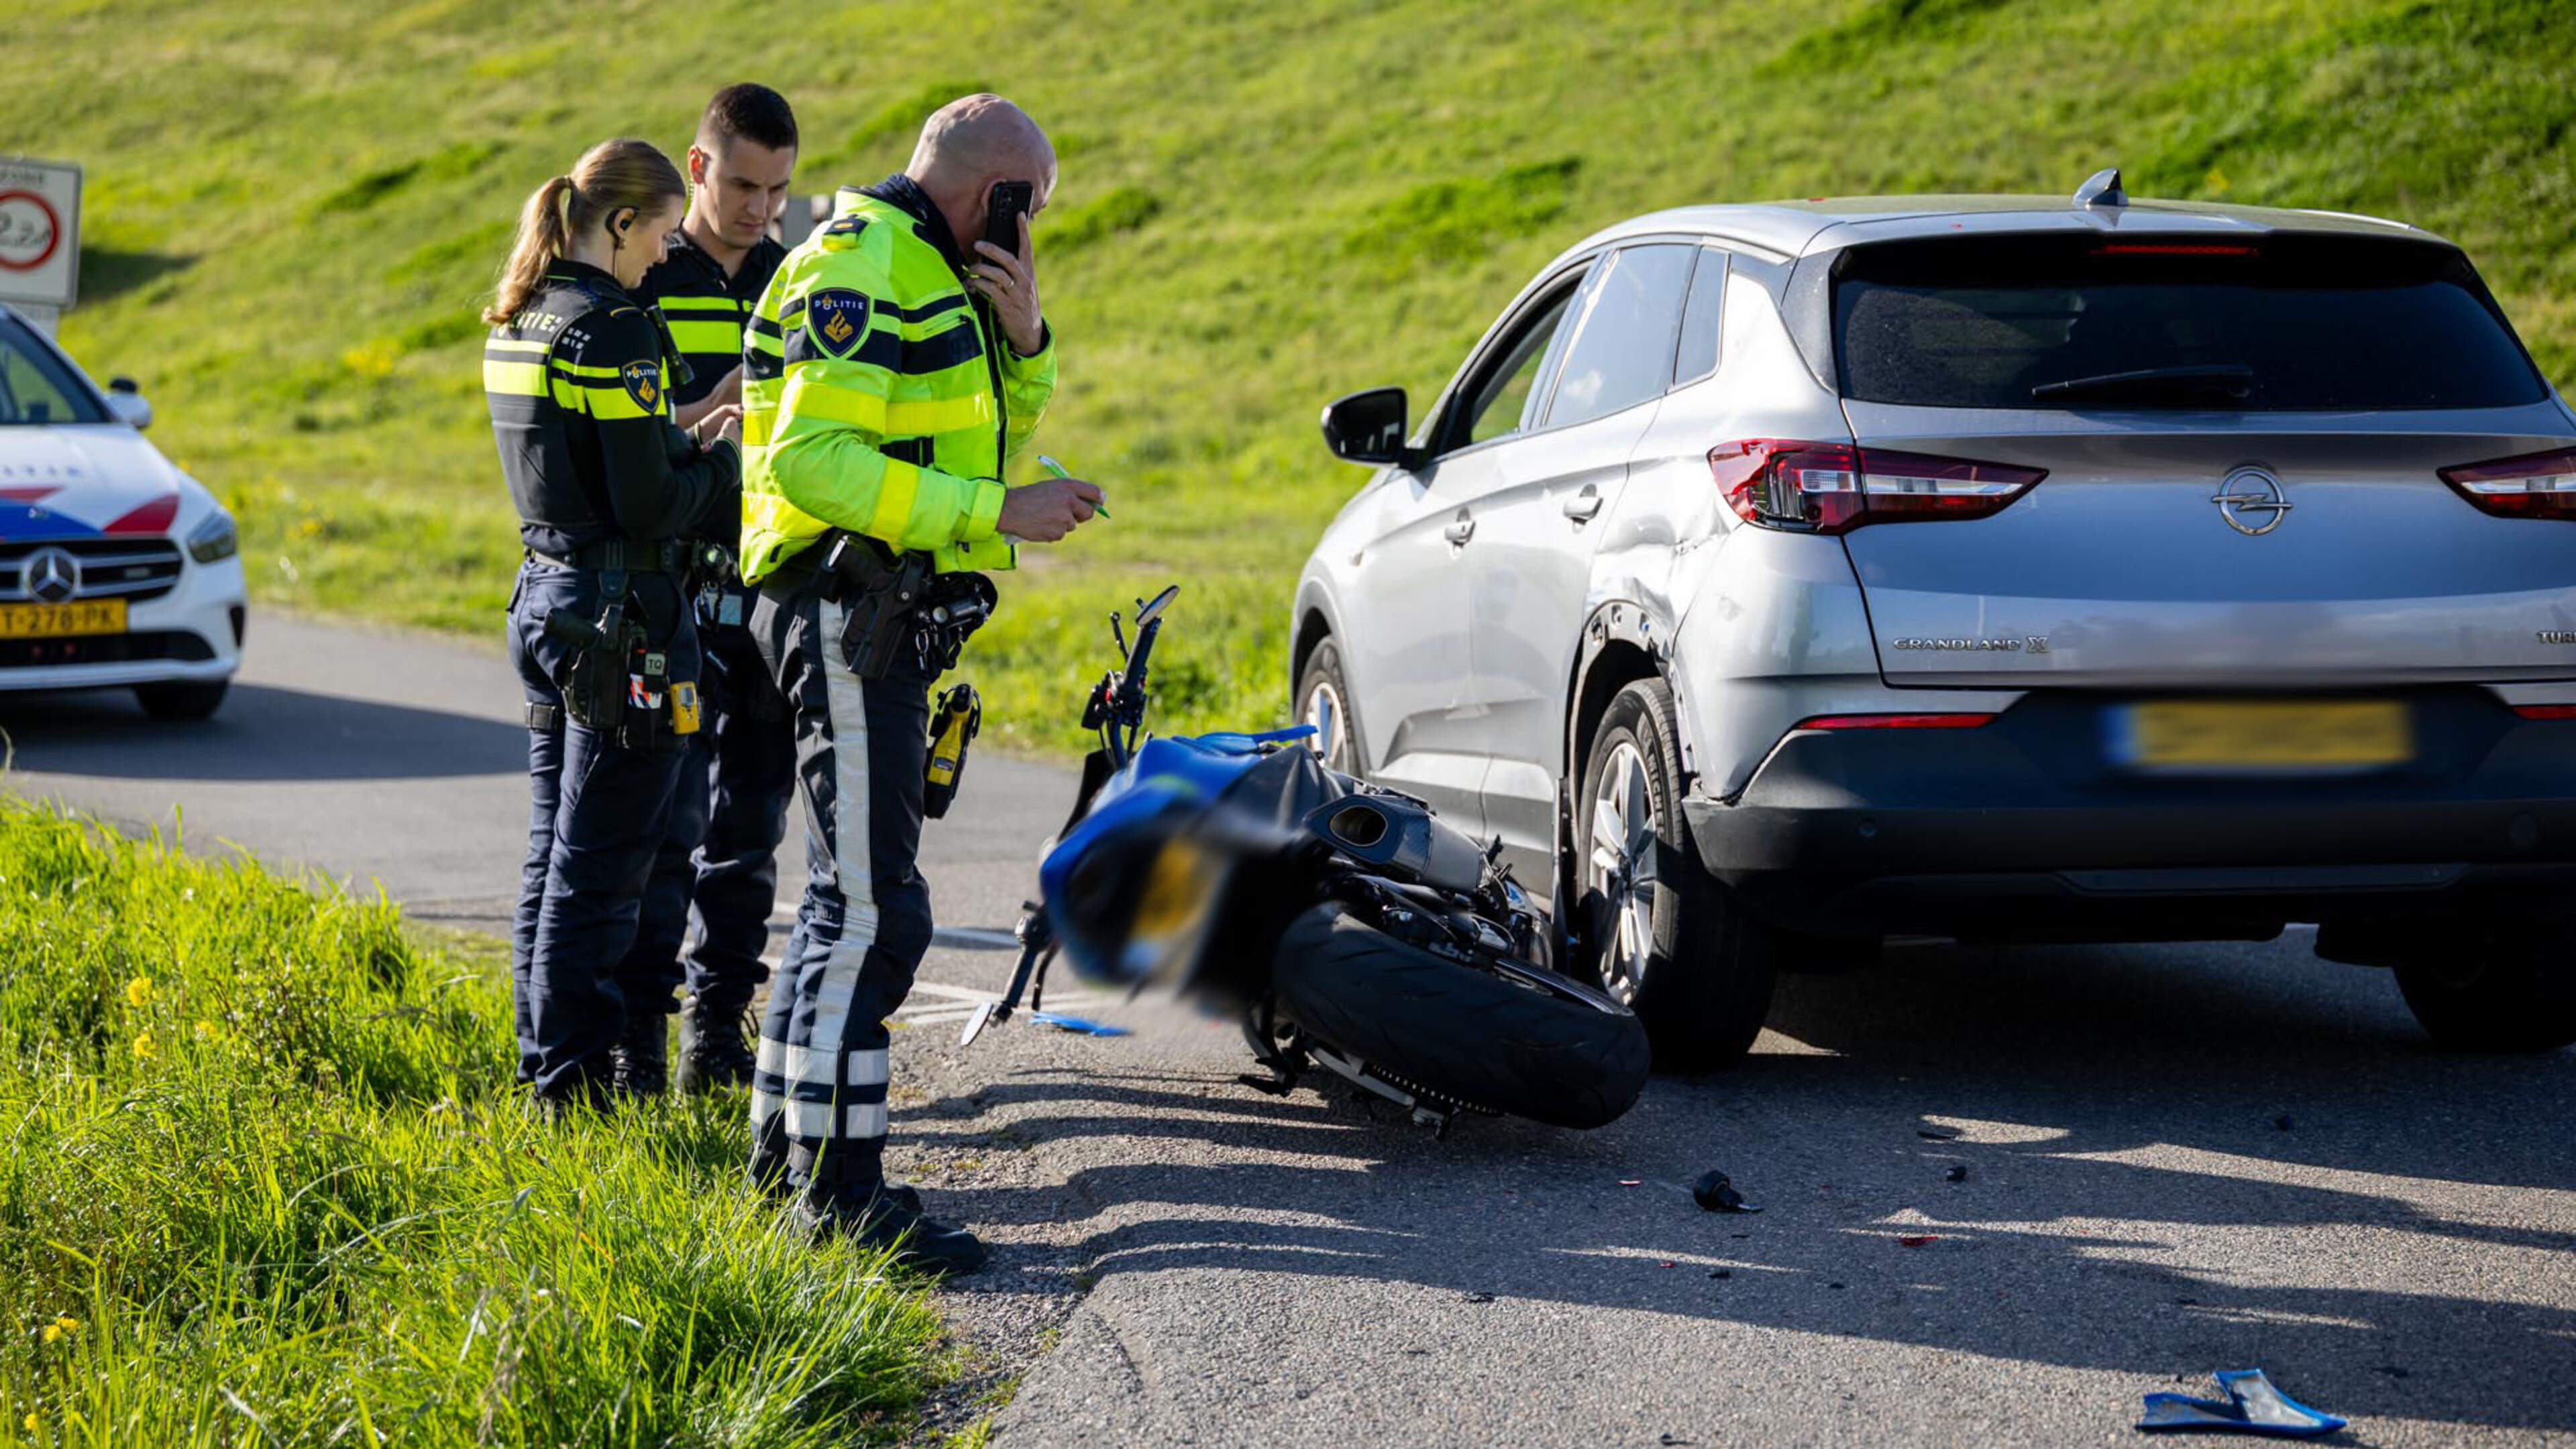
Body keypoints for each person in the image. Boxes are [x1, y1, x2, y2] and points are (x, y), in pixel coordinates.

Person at [738, 93, 1102, 1271]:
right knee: (877, 914)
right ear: (997, 193)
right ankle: (840, 1200)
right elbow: (816, 463)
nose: (1032, 227)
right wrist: (998, 512)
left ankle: (782, 1165)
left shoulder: (935, 272)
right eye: (1030, 207)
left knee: (845, 905)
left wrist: (1026, 339)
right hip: (848, 613)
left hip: (878, 619)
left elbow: (976, 432)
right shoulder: (861, 267)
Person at [482, 138, 743, 1115]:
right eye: (663, 232)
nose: (668, 252)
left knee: (553, 857)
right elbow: (649, 507)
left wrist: (690, 432)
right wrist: (729, 464)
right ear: (622, 222)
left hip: (548, 601)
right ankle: (576, 1100)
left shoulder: (525, 314)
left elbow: (594, 463)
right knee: (601, 877)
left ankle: (540, 1075)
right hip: (623, 624)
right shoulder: (617, 328)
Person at [618, 83, 800, 1097]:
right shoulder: (644, 274)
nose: (758, 209)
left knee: (751, 831)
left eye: (777, 190)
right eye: (741, 186)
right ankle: (639, 1045)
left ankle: (716, 1038)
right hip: (670, 596)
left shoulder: (797, 280)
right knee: (665, 830)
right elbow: (620, 439)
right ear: (698, 169)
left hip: (771, 592)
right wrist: (713, 407)